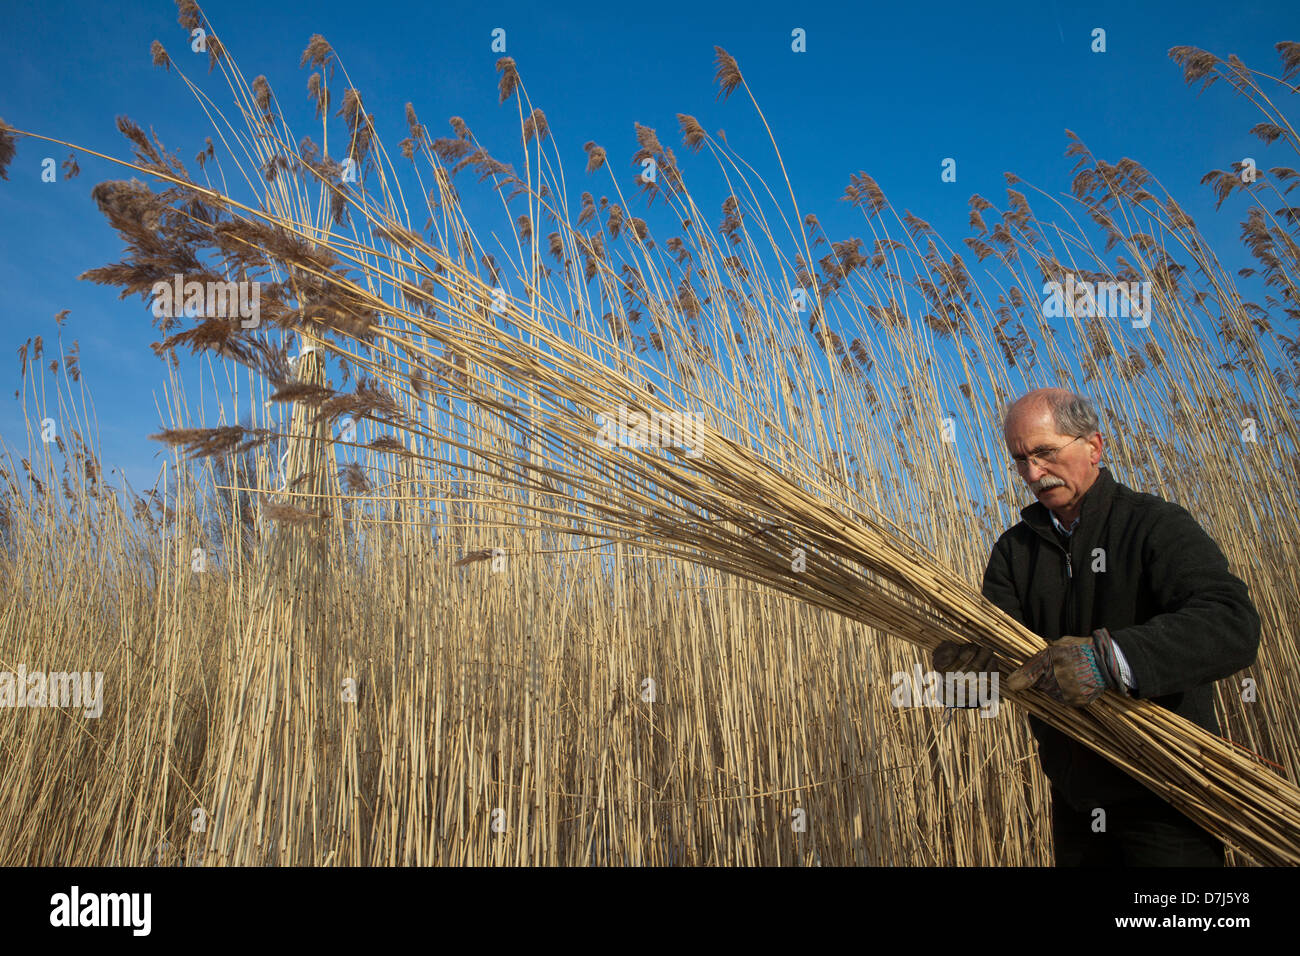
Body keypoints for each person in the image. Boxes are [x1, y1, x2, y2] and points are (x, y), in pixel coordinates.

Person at [933, 387, 1260, 866]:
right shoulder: (1013, 553)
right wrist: (961, 675)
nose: (1033, 474)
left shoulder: (1154, 525)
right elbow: (999, 675)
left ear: (1094, 446)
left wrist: (1110, 660)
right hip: (1077, 802)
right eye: (1020, 460)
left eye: (1045, 453)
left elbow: (1233, 624)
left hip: (1169, 795)